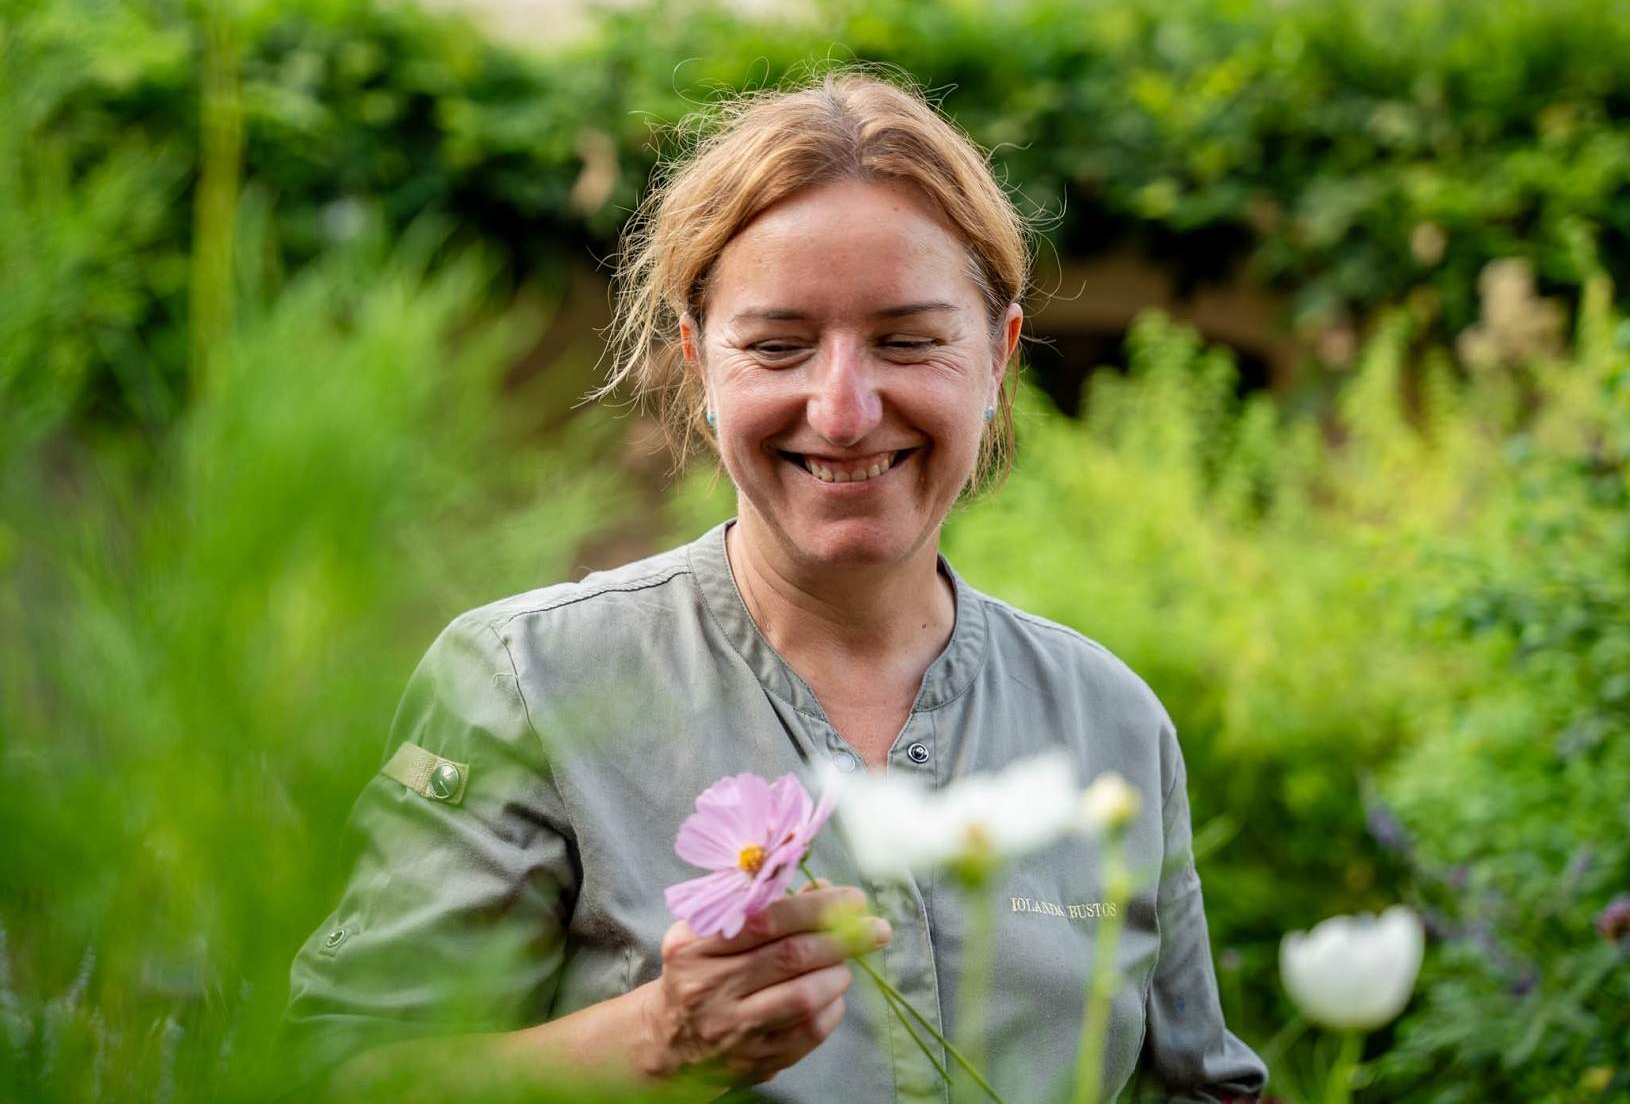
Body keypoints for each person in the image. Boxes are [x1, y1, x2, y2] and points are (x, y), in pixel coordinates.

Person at [286, 70, 1268, 1103]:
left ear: (997, 358)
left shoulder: (1105, 717)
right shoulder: (527, 683)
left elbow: (1197, 1089)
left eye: (907, 340)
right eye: (777, 346)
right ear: (700, 365)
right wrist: (652, 1043)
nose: (842, 410)